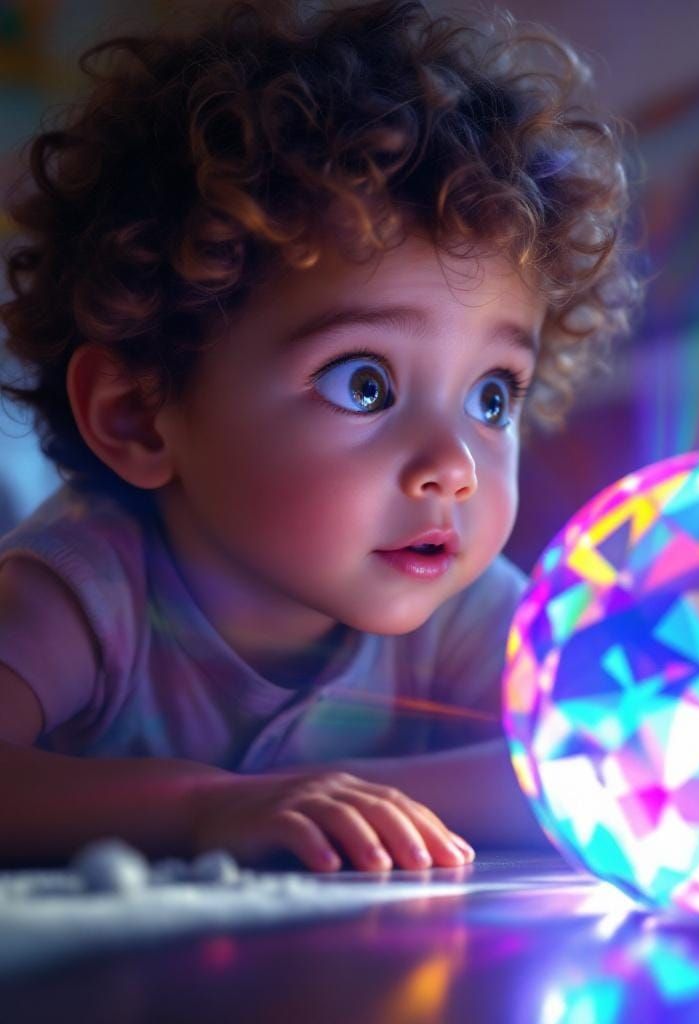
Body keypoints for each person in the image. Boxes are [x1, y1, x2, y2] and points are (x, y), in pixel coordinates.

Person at [0, 0, 640, 874]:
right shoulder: (84, 585)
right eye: (364, 384)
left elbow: (599, 772)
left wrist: (329, 789)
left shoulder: (463, 607)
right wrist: (206, 807)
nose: (453, 467)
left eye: (492, 398)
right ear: (138, 414)